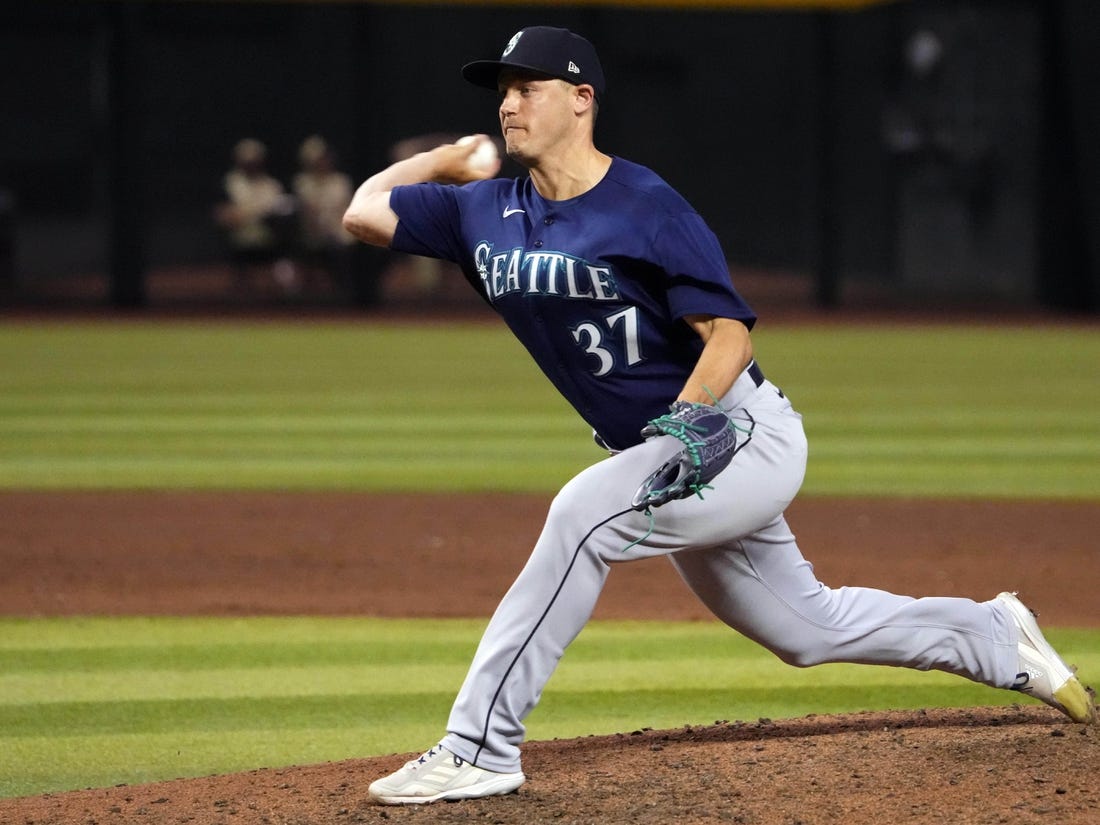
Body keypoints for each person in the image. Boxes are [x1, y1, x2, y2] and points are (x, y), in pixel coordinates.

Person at [342, 26, 1095, 806]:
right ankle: (991, 634)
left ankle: (479, 745)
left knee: (580, 517)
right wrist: (446, 159)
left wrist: (685, 420)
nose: (509, 103)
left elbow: (728, 332)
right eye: (502, 90)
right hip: (668, 451)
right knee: (806, 629)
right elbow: (363, 213)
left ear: (581, 100)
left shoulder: (645, 205)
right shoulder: (481, 210)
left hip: (737, 435)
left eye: (527, 87)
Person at [213, 138, 297, 293]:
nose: (251, 165)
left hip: (269, 240)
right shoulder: (230, 183)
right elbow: (223, 216)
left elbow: (282, 213)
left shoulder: (272, 185)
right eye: (247, 161)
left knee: (286, 253)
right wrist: (252, 215)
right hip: (238, 240)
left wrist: (254, 216)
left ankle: (288, 299)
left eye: (254, 161)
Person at [291, 135, 357, 292]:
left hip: (343, 234)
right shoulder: (302, 183)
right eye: (316, 159)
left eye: (323, 158)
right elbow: (309, 215)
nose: (321, 162)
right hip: (314, 236)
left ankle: (351, 293)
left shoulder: (341, 181)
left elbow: (348, 210)